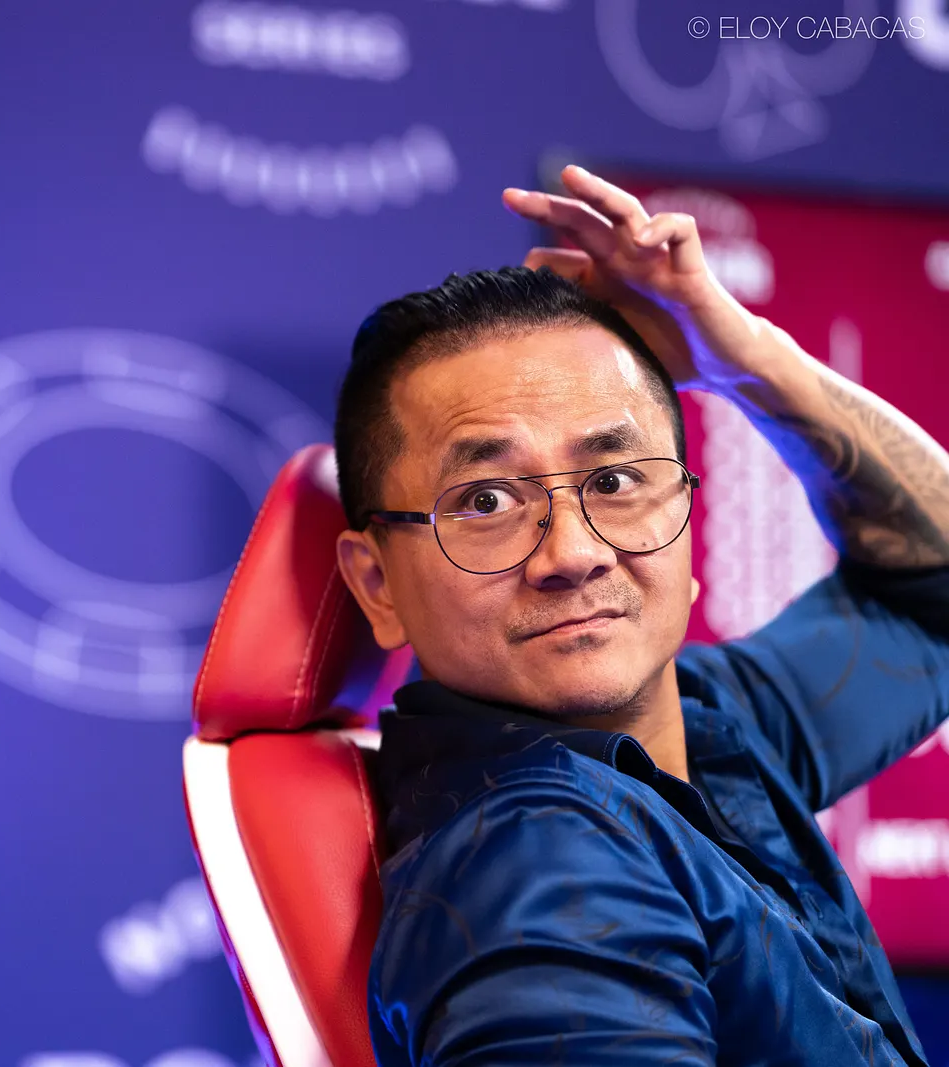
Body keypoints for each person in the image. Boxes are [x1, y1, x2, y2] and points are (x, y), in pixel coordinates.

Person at [331, 165, 949, 1065]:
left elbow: (931, 583)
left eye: (616, 481)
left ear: (688, 520)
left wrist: (746, 356)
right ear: (377, 585)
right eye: (487, 500)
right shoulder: (543, 866)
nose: (574, 552)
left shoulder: (699, 723)